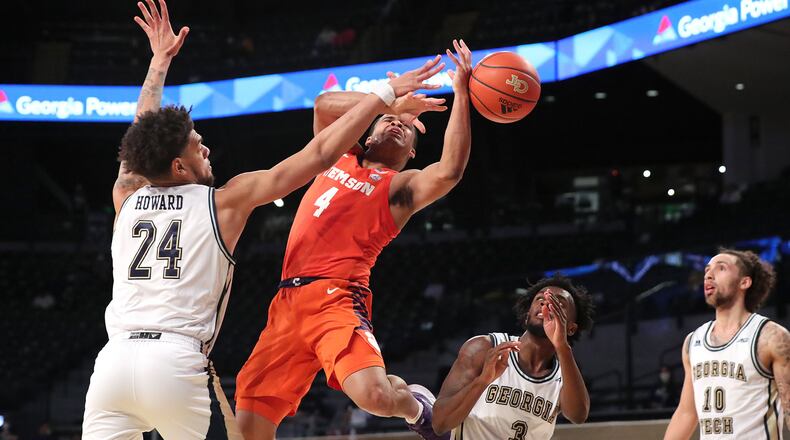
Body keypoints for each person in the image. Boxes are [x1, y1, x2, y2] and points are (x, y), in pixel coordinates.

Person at [81, 0, 445, 438]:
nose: (206, 148)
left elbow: (139, 136)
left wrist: (158, 63)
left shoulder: (128, 195)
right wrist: (385, 96)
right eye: (197, 145)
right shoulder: (223, 202)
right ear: (178, 167)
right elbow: (320, 154)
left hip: (111, 368)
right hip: (175, 363)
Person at [235, 40, 474, 440]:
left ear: (412, 154)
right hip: (285, 305)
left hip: (337, 296)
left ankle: (417, 408)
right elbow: (324, 105)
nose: (394, 125)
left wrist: (462, 93)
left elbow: (449, 170)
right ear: (371, 127)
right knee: (248, 429)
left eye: (406, 130)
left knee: (375, 397)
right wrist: (388, 102)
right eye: (386, 122)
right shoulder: (336, 155)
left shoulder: (399, 189)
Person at [430, 274, 594, 439]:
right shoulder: (484, 347)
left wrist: (562, 346)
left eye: (558, 303)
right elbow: (440, 423)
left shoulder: (566, 372)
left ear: (571, 329)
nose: (546, 303)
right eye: (539, 299)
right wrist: (482, 381)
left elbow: (578, 416)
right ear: (527, 314)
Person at [665, 249, 790, 439]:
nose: (708, 274)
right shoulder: (693, 341)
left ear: (744, 282)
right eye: (707, 269)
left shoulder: (771, 337)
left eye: (721, 268)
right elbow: (687, 413)